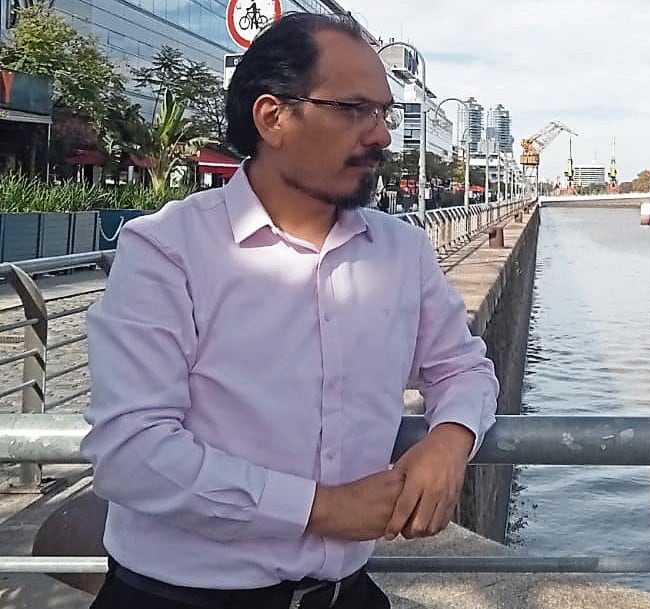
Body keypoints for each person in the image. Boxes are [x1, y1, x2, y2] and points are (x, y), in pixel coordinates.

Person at [81, 12, 499, 609]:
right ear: (273, 118)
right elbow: (132, 452)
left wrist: (451, 437)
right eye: (354, 109)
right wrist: (324, 509)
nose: (380, 135)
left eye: (385, 112)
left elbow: (462, 366)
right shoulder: (168, 250)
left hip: (343, 592)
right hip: (180, 596)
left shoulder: (401, 250)